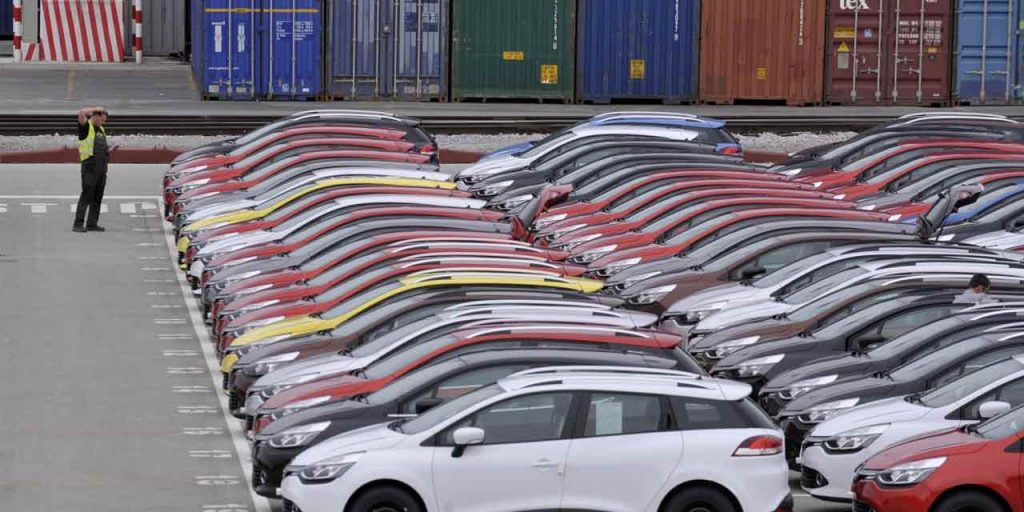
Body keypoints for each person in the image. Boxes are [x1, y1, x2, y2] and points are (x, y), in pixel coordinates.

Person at [73, 106, 109, 233]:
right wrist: (96, 108)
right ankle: (78, 223)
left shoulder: (101, 129)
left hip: (101, 167)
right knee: (86, 195)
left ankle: (92, 223)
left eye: (104, 120)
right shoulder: (86, 127)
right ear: (95, 116)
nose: (102, 122)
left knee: (98, 196)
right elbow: (82, 112)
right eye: (101, 119)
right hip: (90, 166)